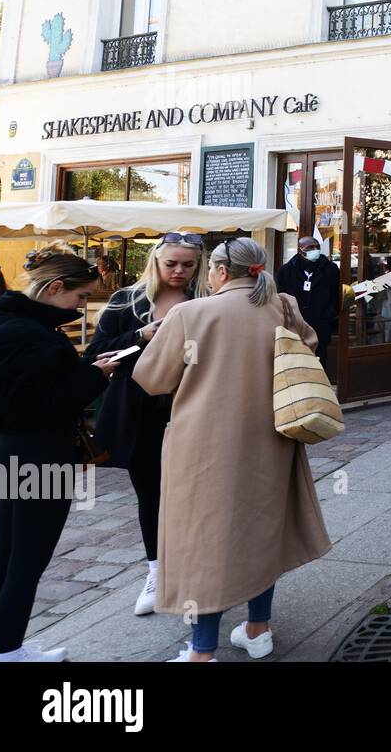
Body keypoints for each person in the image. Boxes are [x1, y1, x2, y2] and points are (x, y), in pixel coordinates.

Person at [133, 237, 332, 662]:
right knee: (263, 530)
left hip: (204, 447)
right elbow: (308, 349)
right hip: (273, 439)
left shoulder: (191, 314)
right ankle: (258, 629)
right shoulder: (283, 306)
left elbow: (152, 379)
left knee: (206, 541)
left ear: (220, 271)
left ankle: (202, 651)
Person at [0, 244, 121, 662]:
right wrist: (94, 378)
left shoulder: (12, 322)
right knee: (28, 559)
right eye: (81, 296)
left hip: (16, 453)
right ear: (56, 286)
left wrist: (86, 369)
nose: (83, 306)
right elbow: (37, 407)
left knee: (10, 553)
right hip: (41, 457)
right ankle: (7, 650)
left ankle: (2, 644)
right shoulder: (27, 335)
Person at [82, 233, 208, 615]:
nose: (179, 271)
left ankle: (193, 571)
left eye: (187, 264)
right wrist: (141, 334)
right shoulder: (127, 301)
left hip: (190, 407)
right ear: (155, 261)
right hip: (136, 409)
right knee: (149, 492)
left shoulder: (204, 301)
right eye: (171, 263)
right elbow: (95, 354)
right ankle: (156, 572)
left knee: (194, 494)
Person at [275, 236, 341, 365]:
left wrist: (329, 314)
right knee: (296, 360)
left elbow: (336, 294)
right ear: (300, 250)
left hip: (321, 323)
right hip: (295, 323)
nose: (315, 250)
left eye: (317, 247)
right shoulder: (286, 270)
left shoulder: (330, 269)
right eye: (310, 247)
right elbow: (279, 295)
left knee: (320, 358)